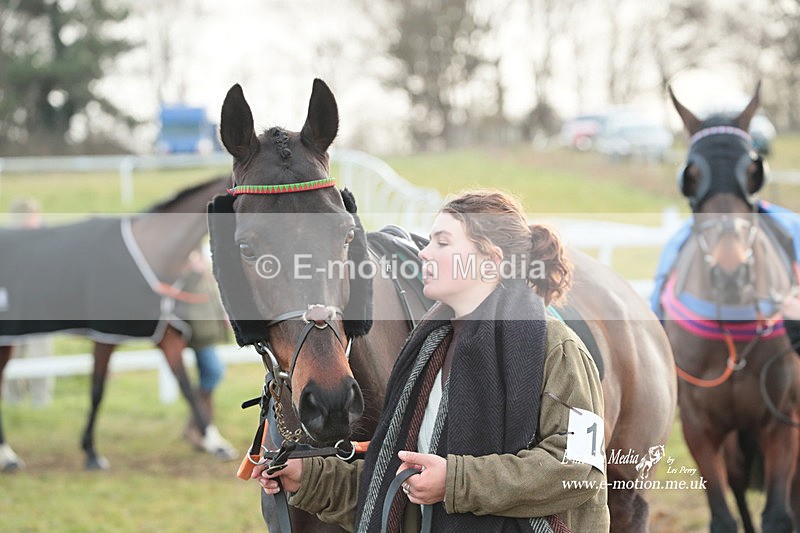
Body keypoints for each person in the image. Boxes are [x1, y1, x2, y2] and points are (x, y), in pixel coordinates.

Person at [253, 190, 609, 532]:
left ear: (490, 261)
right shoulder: (426, 352)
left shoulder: (557, 349)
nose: (423, 253)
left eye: (442, 242)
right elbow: (394, 483)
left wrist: (455, 482)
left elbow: (580, 469)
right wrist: (309, 478)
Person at [175, 248, 236, 460]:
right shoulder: (181, 257)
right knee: (213, 371)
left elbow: (210, 286)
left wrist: (222, 313)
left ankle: (197, 426)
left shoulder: (198, 253)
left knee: (211, 373)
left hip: (203, 324)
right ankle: (200, 427)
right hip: (191, 325)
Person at [2, 197, 54, 406]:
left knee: (40, 353)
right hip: (11, 308)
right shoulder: (8, 239)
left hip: (39, 307)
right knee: (11, 355)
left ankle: (40, 400)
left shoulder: (49, 239)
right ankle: (14, 400)